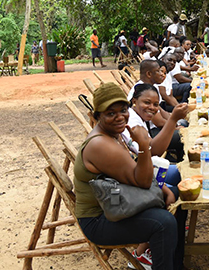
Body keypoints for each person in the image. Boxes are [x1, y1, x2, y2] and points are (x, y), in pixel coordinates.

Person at [74, 82, 185, 270]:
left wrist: (163, 187)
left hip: (117, 202)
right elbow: (141, 181)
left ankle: (174, 262)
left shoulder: (113, 134)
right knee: (163, 222)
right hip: (100, 219)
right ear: (97, 116)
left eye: (123, 110)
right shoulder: (100, 144)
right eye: (111, 113)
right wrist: (143, 146)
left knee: (180, 196)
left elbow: (135, 169)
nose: (120, 117)